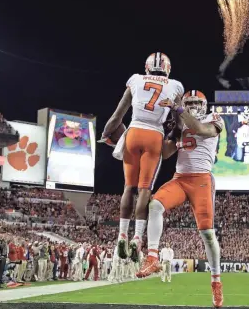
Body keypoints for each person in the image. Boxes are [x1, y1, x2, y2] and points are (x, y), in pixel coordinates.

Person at [136, 90, 224, 308]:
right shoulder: (180, 121)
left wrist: (178, 110)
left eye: (196, 102)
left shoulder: (213, 118)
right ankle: (152, 257)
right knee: (155, 205)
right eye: (189, 102)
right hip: (180, 178)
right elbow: (165, 154)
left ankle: (216, 281)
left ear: (203, 104)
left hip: (202, 179)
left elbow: (200, 129)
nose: (193, 105)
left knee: (208, 235)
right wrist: (165, 132)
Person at [101, 52, 184, 262]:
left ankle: (121, 233)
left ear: (147, 67)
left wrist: (105, 134)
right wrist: (176, 137)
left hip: (134, 132)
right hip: (154, 135)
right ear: (167, 69)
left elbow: (117, 116)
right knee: (145, 189)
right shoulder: (175, 85)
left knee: (128, 187)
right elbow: (179, 119)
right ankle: (137, 237)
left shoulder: (136, 80)